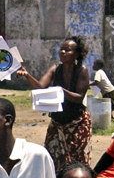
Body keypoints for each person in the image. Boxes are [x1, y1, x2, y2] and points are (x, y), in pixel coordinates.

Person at [17, 35, 92, 168]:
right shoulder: (55, 70)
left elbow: (79, 97)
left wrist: (61, 91)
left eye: (67, 50)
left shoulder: (82, 71)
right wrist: (27, 75)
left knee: (77, 161)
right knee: (51, 157)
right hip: (58, 122)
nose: (62, 52)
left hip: (77, 122)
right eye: (61, 49)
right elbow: (41, 86)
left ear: (76, 54)